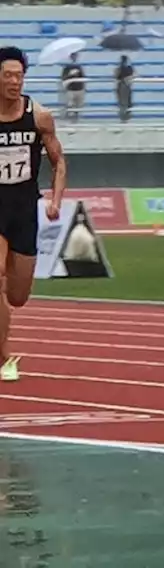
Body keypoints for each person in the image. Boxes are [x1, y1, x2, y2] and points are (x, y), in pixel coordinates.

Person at [0, 46, 67, 382]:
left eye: (19, 75)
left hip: (24, 208)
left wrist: (55, 200)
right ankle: (4, 358)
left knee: (18, 295)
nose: (15, 81)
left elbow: (59, 162)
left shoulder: (39, 116)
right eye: (8, 75)